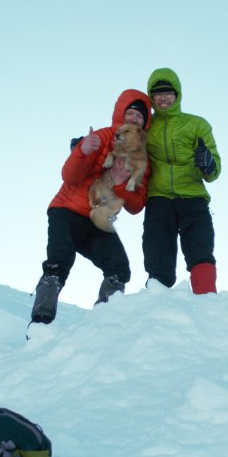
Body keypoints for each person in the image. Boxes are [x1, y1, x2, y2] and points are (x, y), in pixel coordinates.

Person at [30, 89, 152, 324]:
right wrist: (82, 151)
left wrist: (118, 185)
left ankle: (103, 321)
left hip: (98, 221)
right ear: (121, 114)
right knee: (58, 262)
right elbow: (70, 176)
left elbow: (136, 205)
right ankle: (40, 322)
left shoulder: (141, 159)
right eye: (130, 113)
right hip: (67, 211)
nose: (134, 119)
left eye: (140, 117)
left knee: (119, 268)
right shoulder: (102, 137)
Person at [143, 67, 222, 294]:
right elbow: (120, 139)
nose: (163, 98)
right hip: (158, 197)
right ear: (151, 97)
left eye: (168, 92)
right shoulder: (146, 127)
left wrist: (208, 164)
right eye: (158, 94)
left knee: (200, 249)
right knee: (157, 251)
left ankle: (206, 299)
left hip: (193, 197)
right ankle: (158, 301)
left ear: (177, 94)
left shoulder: (197, 124)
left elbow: (215, 169)